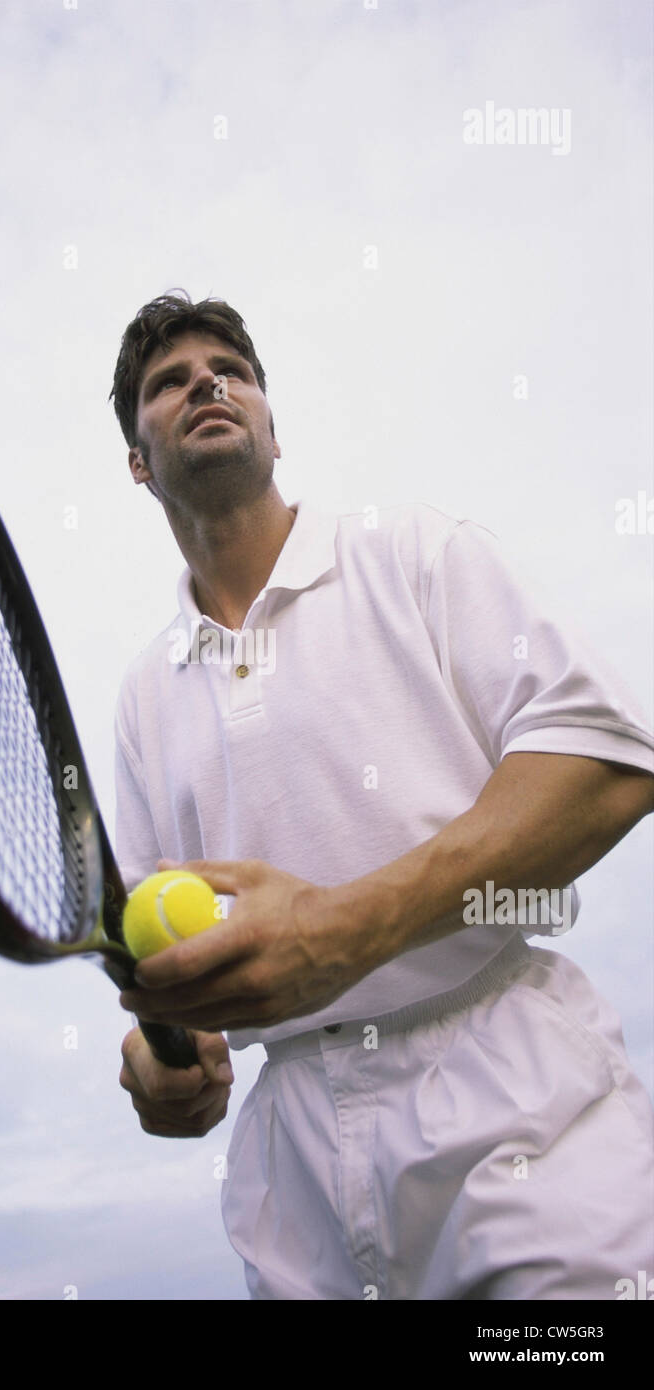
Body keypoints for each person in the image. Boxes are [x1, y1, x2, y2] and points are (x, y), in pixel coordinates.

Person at [108, 290, 654, 1300]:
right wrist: (166, 1061)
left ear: (271, 421)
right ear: (138, 461)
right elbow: (172, 972)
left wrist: (343, 927)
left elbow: (607, 761)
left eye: (231, 369)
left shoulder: (414, 553)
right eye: (169, 382)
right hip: (292, 1165)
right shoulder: (145, 696)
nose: (206, 385)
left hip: (508, 1089)